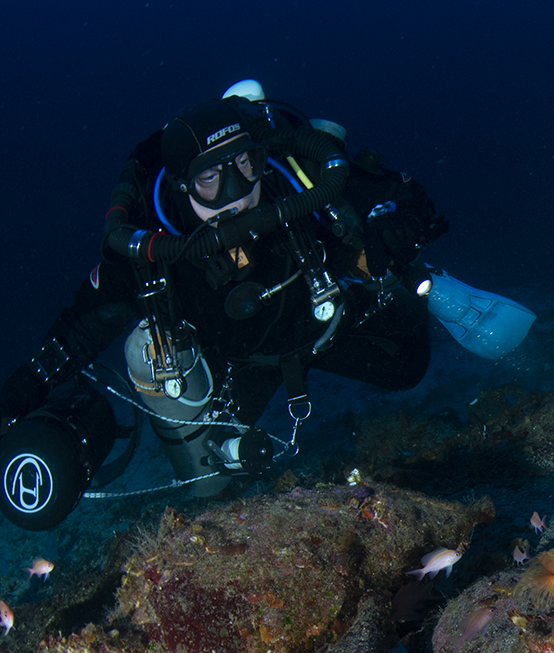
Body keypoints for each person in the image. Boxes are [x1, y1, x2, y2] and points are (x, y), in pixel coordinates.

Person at [0, 81, 454, 530]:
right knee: (213, 488)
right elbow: (79, 330)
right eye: (210, 178)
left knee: (407, 368)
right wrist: (16, 397)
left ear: (261, 155)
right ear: (181, 186)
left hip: (324, 322)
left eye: (244, 162)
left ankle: (397, 289)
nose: (236, 191)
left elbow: (405, 194)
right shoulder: (152, 247)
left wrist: (393, 226)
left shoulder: (292, 177)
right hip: (238, 368)